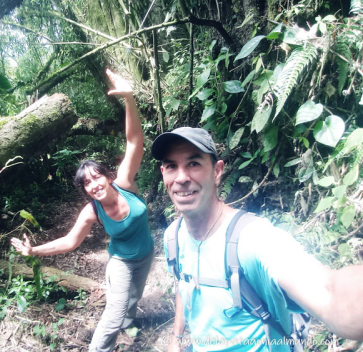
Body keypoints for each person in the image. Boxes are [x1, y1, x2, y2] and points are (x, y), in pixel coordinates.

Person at [151, 127, 363, 352]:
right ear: (163, 172)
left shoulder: (252, 239)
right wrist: (176, 337)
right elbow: (184, 285)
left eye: (194, 163)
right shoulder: (173, 237)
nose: (182, 178)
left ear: (217, 171)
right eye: (172, 166)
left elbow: (328, 290)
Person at [11, 69, 154, 352]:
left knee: (134, 298)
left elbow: (134, 142)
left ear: (108, 176)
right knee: (113, 314)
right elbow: (70, 241)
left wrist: (129, 99)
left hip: (147, 253)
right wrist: (33, 251)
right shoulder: (92, 211)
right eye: (86, 183)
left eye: (97, 177)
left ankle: (130, 324)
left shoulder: (125, 183)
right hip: (121, 263)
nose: (94, 184)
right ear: (86, 190)